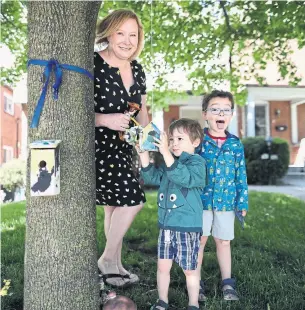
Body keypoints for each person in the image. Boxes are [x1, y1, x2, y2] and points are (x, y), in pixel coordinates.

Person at [94, 9, 149, 288]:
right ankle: (105, 260)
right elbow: (70, 112)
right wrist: (104, 119)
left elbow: (143, 113)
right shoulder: (92, 64)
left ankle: (114, 267)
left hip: (125, 148)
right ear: (108, 32)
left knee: (114, 207)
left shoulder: (137, 68)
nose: (127, 40)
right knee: (135, 200)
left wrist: (146, 147)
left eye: (133, 34)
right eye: (121, 33)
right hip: (97, 149)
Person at [138, 119, 206, 310]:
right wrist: (144, 156)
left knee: (190, 270)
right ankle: (162, 302)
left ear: (195, 142)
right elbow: (152, 178)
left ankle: (193, 304)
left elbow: (184, 177)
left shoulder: (197, 163)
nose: (174, 143)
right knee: (162, 267)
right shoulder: (171, 163)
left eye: (180, 138)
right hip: (166, 226)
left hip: (187, 227)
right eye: (171, 139)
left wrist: (166, 154)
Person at [198, 90, 248, 301]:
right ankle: (195, 281)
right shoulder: (197, 140)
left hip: (227, 202)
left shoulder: (235, 144)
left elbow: (241, 174)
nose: (221, 113)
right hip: (200, 201)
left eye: (226, 109)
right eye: (215, 109)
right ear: (205, 114)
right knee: (199, 240)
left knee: (224, 241)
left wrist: (242, 201)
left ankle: (227, 282)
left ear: (231, 115)